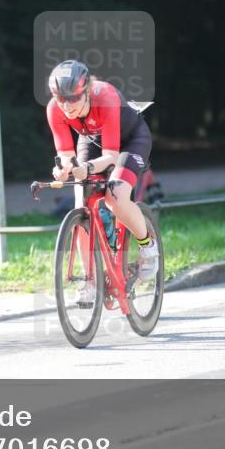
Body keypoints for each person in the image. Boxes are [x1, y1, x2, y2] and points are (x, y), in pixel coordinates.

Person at [45, 59, 159, 301]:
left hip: (130, 141)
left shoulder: (104, 96)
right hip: (93, 140)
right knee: (80, 207)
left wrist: (85, 167)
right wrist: (63, 169)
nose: (67, 106)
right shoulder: (54, 109)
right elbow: (66, 154)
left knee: (116, 196)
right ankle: (91, 281)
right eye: (60, 99)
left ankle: (148, 246)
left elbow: (112, 156)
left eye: (73, 98)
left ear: (86, 91)